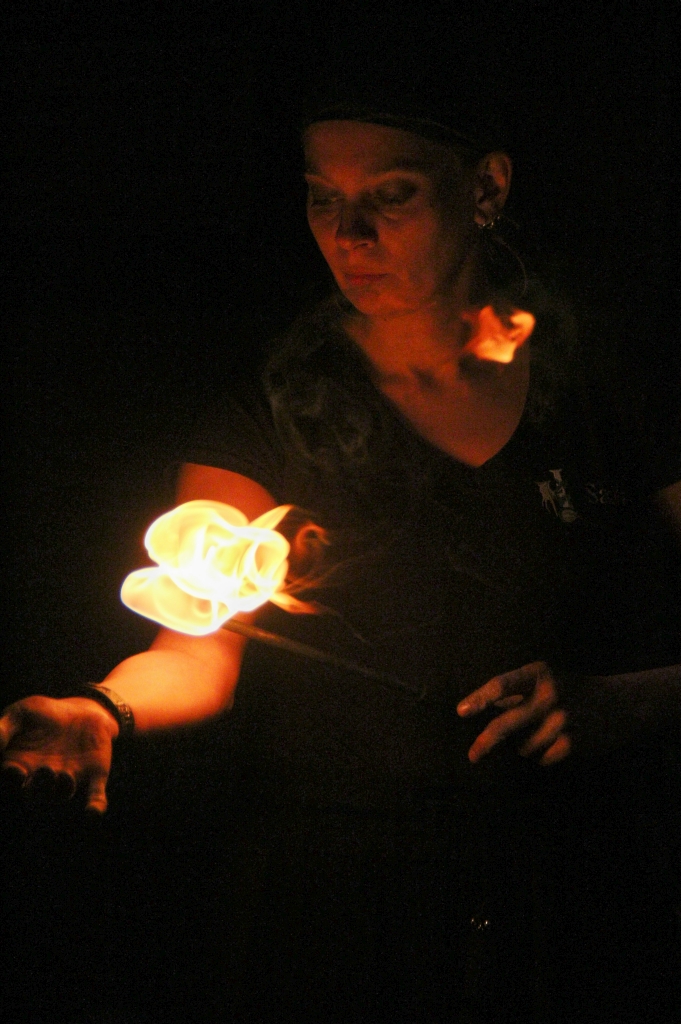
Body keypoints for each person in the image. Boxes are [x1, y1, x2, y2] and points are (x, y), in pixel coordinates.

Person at [3, 103, 680, 1022]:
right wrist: (101, 709)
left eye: (390, 196)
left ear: (485, 188)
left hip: (574, 892)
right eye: (323, 199)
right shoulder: (272, 403)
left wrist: (630, 701)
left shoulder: (606, 383)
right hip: (334, 903)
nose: (348, 235)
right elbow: (196, 650)